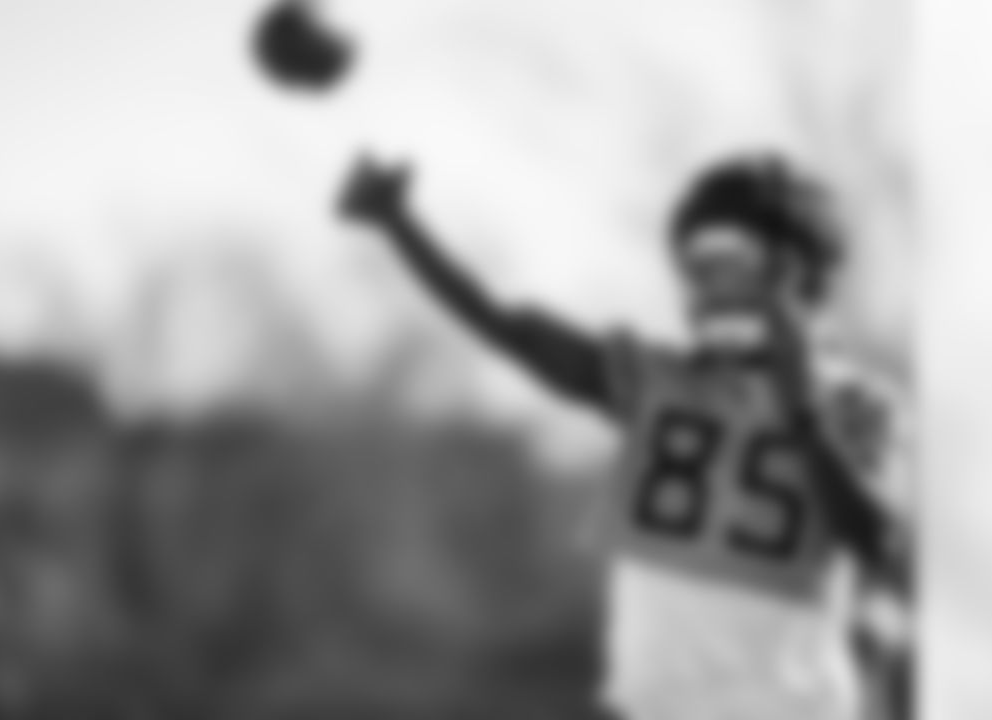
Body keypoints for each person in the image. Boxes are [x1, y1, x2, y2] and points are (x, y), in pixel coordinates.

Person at [336, 152, 911, 720]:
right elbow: (506, 327)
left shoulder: (856, 401)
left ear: (793, 273)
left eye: (726, 263)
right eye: (694, 266)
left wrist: (801, 412)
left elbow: (880, 542)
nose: (705, 285)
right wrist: (400, 225)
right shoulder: (655, 381)